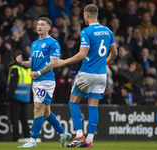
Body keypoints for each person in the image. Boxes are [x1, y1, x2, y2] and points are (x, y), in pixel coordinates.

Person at [55, 4, 118, 148]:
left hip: (87, 73)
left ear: (86, 15)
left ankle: (79, 135)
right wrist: (104, 64)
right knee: (93, 107)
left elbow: (82, 54)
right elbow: (114, 53)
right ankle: (89, 140)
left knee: (73, 102)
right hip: (101, 76)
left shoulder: (86, 31)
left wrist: (64, 62)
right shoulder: (108, 31)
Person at [16, 17, 71, 148]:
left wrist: (39, 73)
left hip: (46, 81)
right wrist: (22, 62)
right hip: (36, 80)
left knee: (38, 109)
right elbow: (32, 63)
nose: (39, 26)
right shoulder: (35, 43)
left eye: (42, 24)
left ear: (49, 28)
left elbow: (53, 63)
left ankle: (32, 140)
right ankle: (64, 134)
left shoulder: (53, 43)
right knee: (46, 112)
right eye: (38, 24)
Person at [5, 50, 32, 141]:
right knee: (24, 119)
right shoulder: (28, 69)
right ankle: (27, 136)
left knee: (15, 119)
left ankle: (15, 138)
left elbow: (13, 86)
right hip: (26, 97)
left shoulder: (15, 68)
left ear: (12, 58)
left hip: (16, 97)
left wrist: (7, 99)